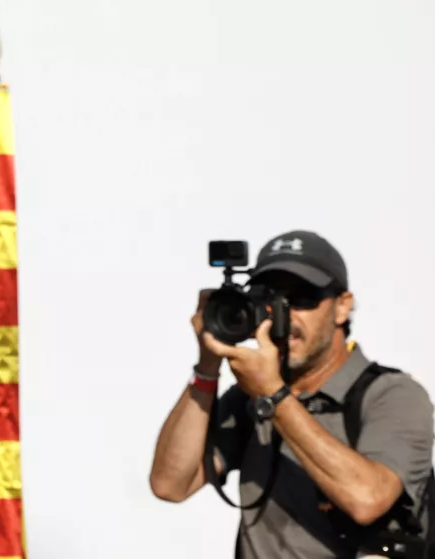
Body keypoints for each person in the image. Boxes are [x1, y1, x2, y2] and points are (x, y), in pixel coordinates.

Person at [149, 230, 435, 558]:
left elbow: (368, 499)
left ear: (342, 307)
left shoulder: (391, 394)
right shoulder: (250, 398)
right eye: (269, 296)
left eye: (302, 298)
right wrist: (207, 368)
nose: (284, 312)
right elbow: (170, 484)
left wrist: (274, 395)